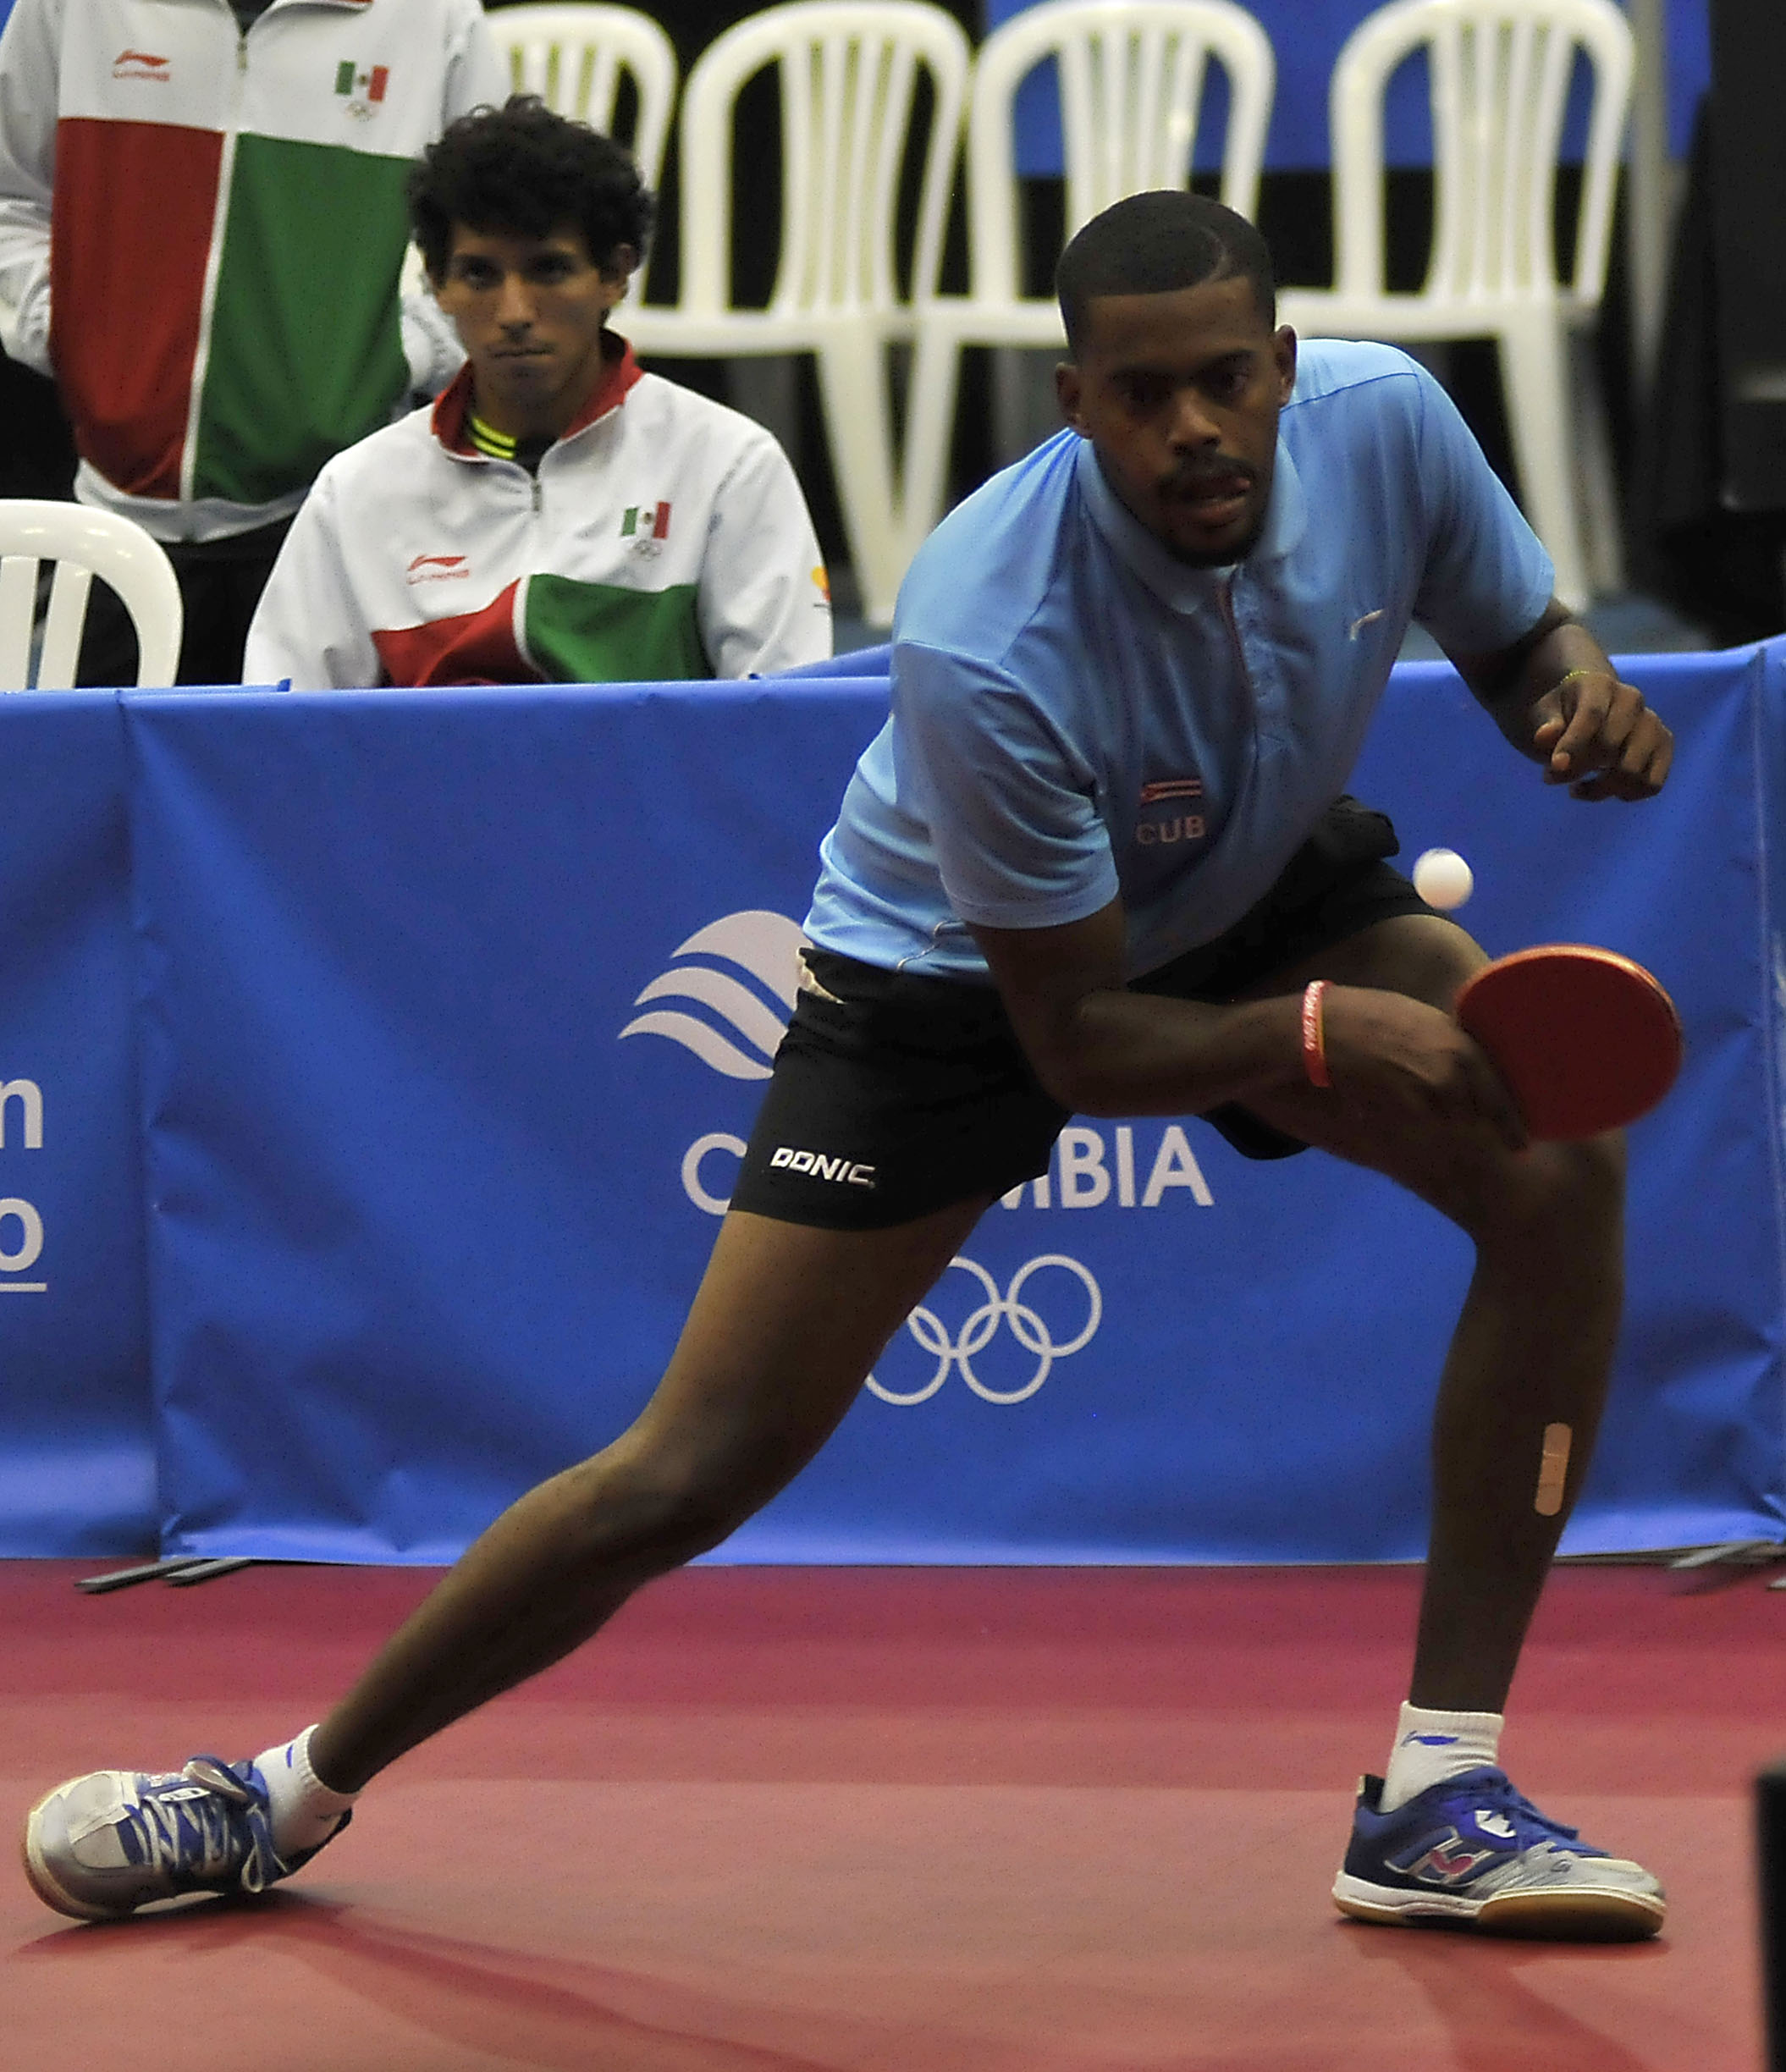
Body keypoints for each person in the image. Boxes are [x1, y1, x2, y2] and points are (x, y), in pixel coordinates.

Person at [24, 191, 1674, 1942]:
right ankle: (278, 1794)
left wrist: (1573, 696)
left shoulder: (1383, 424)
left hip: (1256, 874)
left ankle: (1433, 1789)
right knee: (688, 1469)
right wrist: (1323, 1034)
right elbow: (1080, 1041)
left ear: (1279, 367)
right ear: (1070, 400)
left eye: (1219, 382)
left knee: (1556, 1163)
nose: (1188, 429)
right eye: (1137, 396)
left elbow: (1513, 636)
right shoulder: (991, 621)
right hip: (958, 980)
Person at [243, 98, 832, 688]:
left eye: (548, 270)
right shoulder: (357, 491)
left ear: (615, 275)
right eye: (480, 275)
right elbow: (285, 734)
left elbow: (784, 724)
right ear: (437, 285)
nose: (515, 312)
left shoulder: (727, 466)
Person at [0, 0, 504, 686]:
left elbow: (499, 240)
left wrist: (393, 359)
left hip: (325, 522)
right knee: (95, 791)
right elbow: (11, 198)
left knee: (304, 792)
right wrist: (71, 332)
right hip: (111, 521)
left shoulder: (434, 17)